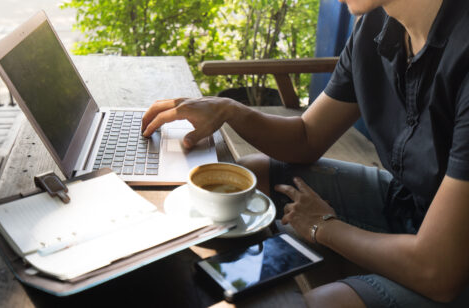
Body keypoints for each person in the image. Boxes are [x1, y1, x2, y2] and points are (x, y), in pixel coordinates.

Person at [141, 0, 469, 306]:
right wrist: (230, 110)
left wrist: (325, 227)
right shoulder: (374, 26)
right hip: (409, 202)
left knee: (316, 302)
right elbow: (307, 137)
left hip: (451, 263)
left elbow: (438, 270)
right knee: (255, 175)